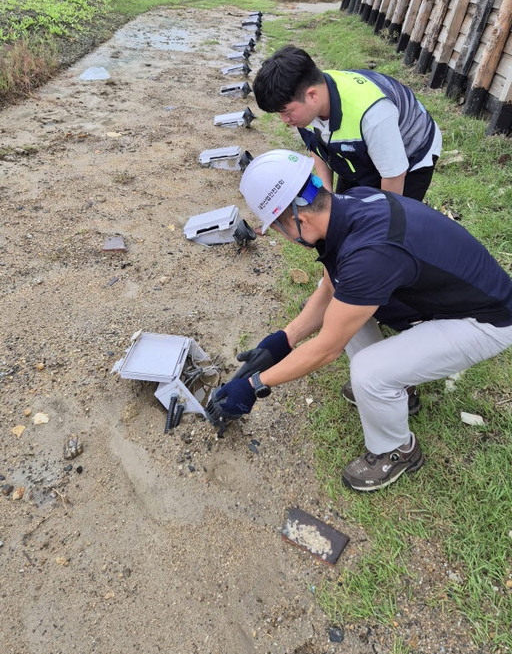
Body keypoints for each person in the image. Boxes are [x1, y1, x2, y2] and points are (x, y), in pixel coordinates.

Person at [206, 150, 512, 493]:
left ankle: (397, 449)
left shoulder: (369, 254)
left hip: (485, 321)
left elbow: (326, 350)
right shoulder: (351, 202)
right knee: (345, 310)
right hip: (445, 297)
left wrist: (253, 385)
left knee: (368, 372)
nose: (276, 234)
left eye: (276, 227)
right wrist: (281, 341)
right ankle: (400, 389)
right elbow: (331, 288)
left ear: (297, 220)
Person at [253, 45, 442, 200]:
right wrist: (328, 194)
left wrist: (384, 222)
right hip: (363, 148)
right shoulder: (310, 104)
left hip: (411, 155)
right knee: (342, 214)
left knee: (389, 228)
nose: (285, 120)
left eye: (287, 112)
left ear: (312, 96)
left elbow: (394, 175)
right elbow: (317, 146)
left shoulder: (373, 115)